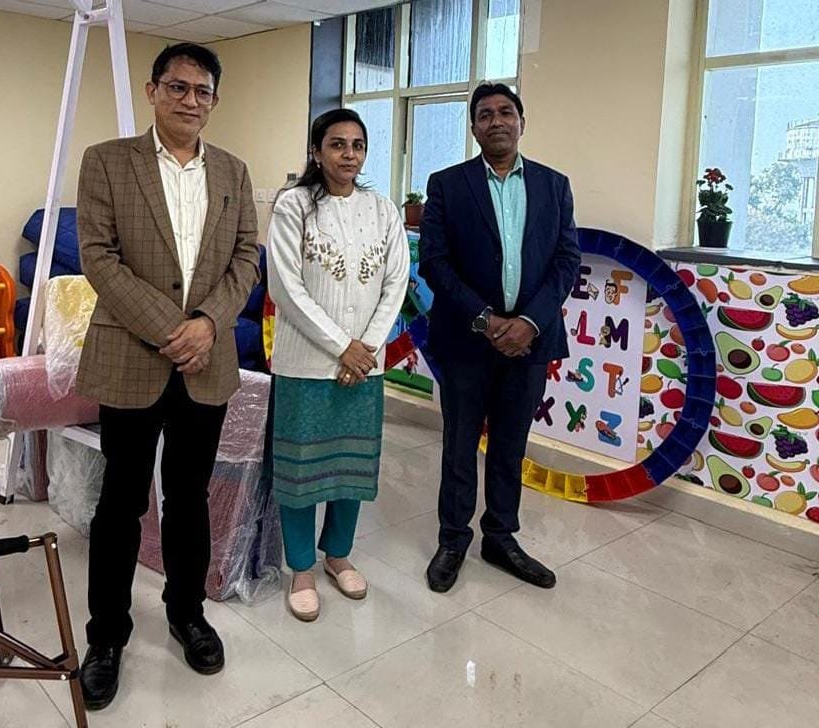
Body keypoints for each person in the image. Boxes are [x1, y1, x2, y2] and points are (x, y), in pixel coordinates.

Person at [74, 43, 260, 709]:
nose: (189, 100)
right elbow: (99, 256)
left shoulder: (233, 171)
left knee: (189, 497)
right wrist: (173, 329)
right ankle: (107, 636)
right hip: (132, 358)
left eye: (202, 90)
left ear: (215, 100)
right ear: (153, 91)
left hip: (206, 364)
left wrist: (208, 323)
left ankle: (187, 614)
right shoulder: (106, 161)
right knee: (120, 502)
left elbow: (246, 256)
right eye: (177, 87)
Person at [419, 82, 580, 594]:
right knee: (460, 444)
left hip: (530, 342)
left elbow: (566, 261)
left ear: (521, 122)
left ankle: (501, 538)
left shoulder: (554, 186)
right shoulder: (447, 185)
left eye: (505, 112)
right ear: (474, 128)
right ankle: (452, 539)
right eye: (485, 114)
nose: (496, 121)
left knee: (510, 444)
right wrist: (485, 320)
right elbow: (434, 262)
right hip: (467, 340)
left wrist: (530, 321)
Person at [267, 108, 409, 622]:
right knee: (301, 471)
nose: (349, 154)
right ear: (316, 150)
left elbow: (396, 281)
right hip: (305, 365)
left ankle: (338, 555)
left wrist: (364, 347)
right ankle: (302, 568)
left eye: (357, 145)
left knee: (351, 468)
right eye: (337, 144)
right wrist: (340, 346)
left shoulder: (383, 209)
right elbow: (285, 287)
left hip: (364, 366)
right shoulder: (294, 206)